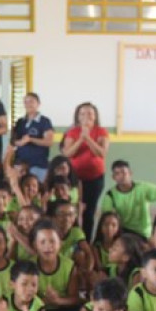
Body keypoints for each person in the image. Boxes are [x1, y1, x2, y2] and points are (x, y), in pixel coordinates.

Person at [62, 102, 110, 241]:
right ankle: (71, 240)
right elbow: (67, 153)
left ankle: (86, 241)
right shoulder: (72, 132)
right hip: (75, 179)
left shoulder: (101, 131)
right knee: (73, 210)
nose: (86, 116)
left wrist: (88, 138)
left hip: (95, 178)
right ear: (77, 116)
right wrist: (81, 138)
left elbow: (101, 153)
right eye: (82, 113)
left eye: (90, 113)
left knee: (89, 212)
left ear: (95, 116)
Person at [100, 160, 156, 240]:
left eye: (124, 172)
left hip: (143, 234)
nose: (121, 176)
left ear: (130, 173)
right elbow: (106, 217)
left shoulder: (143, 188)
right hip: (123, 233)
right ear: (113, 177)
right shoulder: (110, 195)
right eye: (117, 173)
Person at [8, 93, 53, 182]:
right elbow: (13, 141)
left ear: (38, 104)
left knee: (36, 189)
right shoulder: (20, 121)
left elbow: (49, 142)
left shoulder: (44, 121)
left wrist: (30, 139)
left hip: (38, 164)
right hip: (20, 164)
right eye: (26, 102)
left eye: (31, 101)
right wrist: (19, 142)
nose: (28, 104)